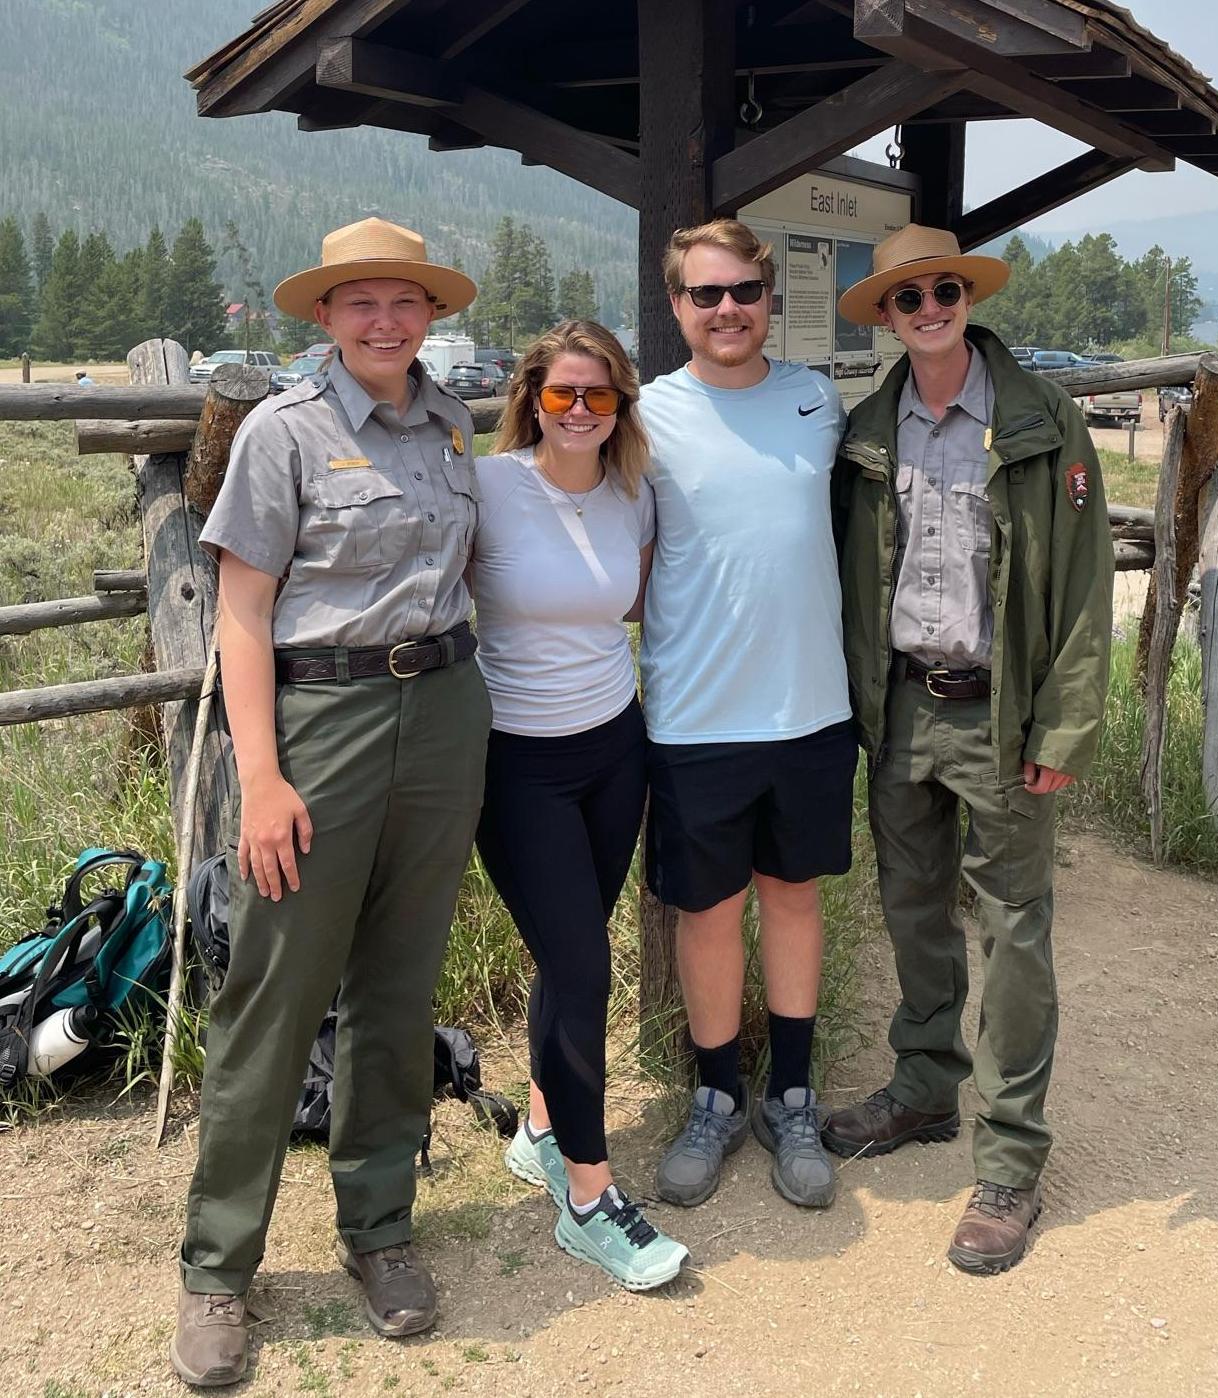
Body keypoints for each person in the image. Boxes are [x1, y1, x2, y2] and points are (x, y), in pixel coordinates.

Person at [172, 218, 490, 1387]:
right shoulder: (281, 436)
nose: (385, 322)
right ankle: (218, 1267)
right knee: (274, 990)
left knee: (399, 989)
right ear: (324, 317)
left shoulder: (452, 424)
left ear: (430, 316)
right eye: (360, 304)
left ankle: (381, 1230)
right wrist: (261, 779)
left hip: (445, 714)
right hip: (324, 724)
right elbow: (243, 617)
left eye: (404, 303)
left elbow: (466, 577)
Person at [824, 224, 1113, 1274]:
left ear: (965, 298)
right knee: (911, 907)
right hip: (901, 707)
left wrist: (1065, 722)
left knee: (1015, 927)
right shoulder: (866, 432)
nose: (930, 307)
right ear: (889, 318)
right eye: (909, 298)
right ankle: (921, 1088)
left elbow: (1084, 586)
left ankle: (1011, 1158)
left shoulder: (1041, 420)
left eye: (945, 289)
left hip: (1001, 713)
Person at [640, 219, 855, 1212]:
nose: (727, 309)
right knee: (710, 913)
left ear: (771, 296)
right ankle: (718, 1094)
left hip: (810, 706)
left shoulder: (819, 400)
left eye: (744, 291)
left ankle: (793, 1095)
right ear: (677, 306)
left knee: (797, 897)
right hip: (697, 715)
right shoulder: (647, 418)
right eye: (705, 294)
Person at [470, 320, 688, 1290]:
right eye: (563, 394)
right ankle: (590, 1198)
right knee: (586, 966)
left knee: (575, 950)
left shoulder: (630, 495)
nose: (580, 411)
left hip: (614, 750)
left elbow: (632, 606)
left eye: (600, 395)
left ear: (622, 405)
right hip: (515, 763)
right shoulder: (487, 489)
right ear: (531, 398)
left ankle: (540, 1127)